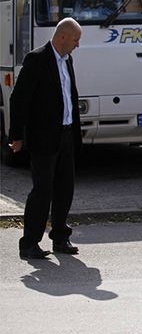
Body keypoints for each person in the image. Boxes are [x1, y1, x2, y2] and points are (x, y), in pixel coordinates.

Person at [9, 17, 82, 259]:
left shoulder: (67, 59)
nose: (77, 45)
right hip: (43, 138)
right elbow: (19, 99)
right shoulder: (37, 59)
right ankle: (29, 243)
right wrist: (17, 135)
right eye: (75, 39)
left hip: (66, 134)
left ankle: (60, 237)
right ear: (62, 37)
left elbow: (68, 95)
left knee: (65, 189)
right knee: (43, 191)